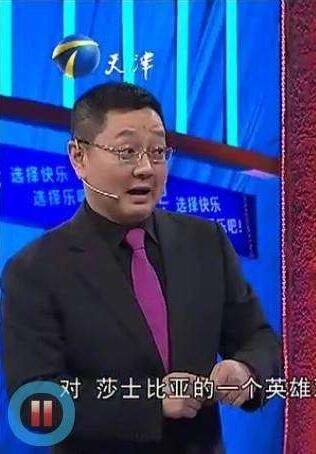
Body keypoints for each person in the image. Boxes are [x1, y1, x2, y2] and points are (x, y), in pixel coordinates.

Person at [2, 82, 281, 453]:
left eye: (158, 151)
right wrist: (151, 406)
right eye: (127, 152)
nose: (146, 168)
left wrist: (245, 369)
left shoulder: (205, 242)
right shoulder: (35, 270)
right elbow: (36, 402)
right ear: (79, 157)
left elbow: (259, 339)